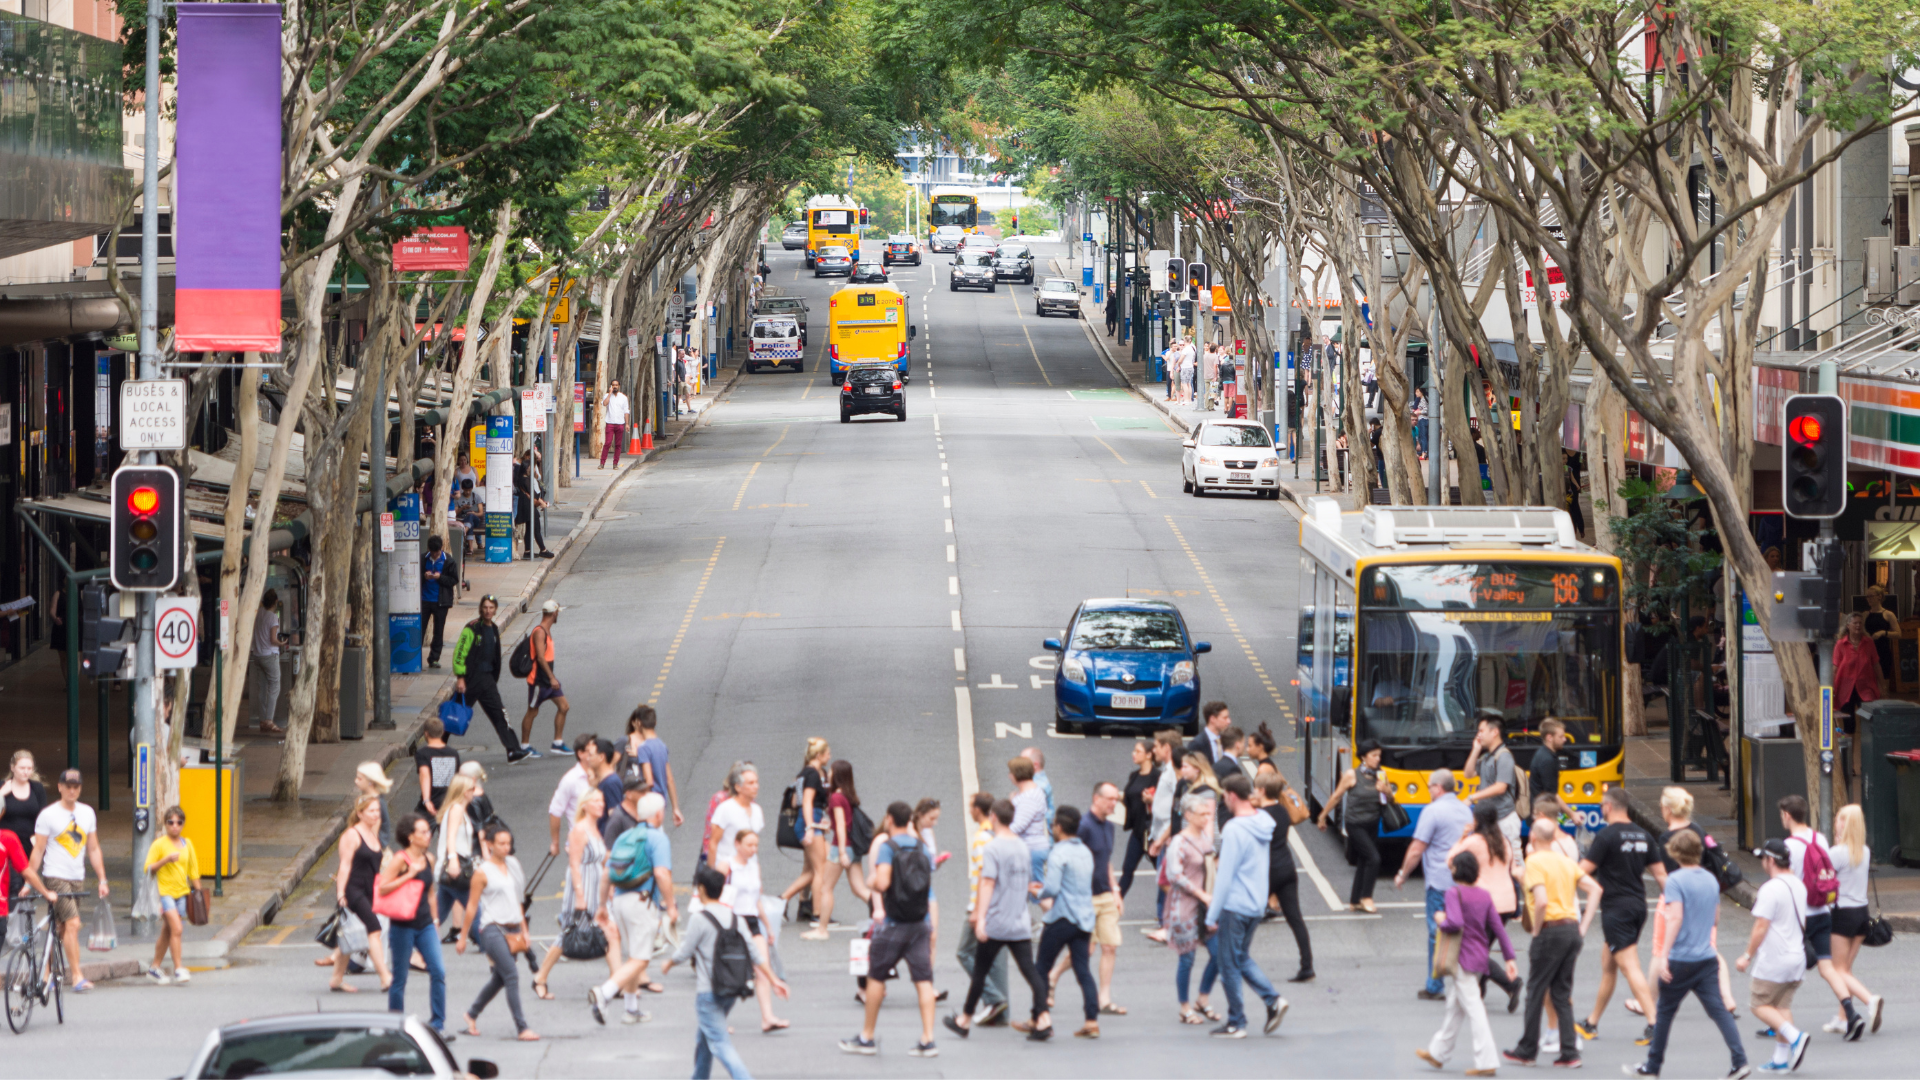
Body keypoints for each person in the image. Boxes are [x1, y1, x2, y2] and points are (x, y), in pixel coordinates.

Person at [1624, 830, 1746, 1078]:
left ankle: (1653, 1066)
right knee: (1719, 1011)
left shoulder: (1675, 881)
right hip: (1706, 958)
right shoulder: (1712, 880)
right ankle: (1739, 1059)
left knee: (1665, 1013)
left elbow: (1675, 917)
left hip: (1682, 959)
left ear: (1675, 853)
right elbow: (1715, 918)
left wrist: (1665, 956)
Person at [666, 864, 788, 1079]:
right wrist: (774, 980)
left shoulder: (699, 918)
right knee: (705, 1039)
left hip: (708, 991)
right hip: (730, 990)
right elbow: (756, 955)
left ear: (701, 890)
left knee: (720, 1043)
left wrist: (668, 963)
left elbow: (685, 952)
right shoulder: (736, 919)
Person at [943, 799, 1050, 1041]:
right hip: (1019, 919)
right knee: (1031, 973)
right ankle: (1044, 1019)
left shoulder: (993, 847)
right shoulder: (1022, 846)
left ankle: (965, 1020)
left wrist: (981, 919)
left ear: (993, 817)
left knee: (980, 972)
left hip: (998, 921)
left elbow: (988, 883)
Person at [842, 802, 940, 1057]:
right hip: (920, 922)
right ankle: (928, 1039)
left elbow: (883, 881)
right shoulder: (922, 847)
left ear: (889, 819)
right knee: (924, 980)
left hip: (895, 922)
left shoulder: (888, 847)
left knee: (876, 975)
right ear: (910, 820)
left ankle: (867, 1036)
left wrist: (872, 879)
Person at [1503, 815, 1602, 1067]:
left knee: (1536, 990)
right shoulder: (1565, 862)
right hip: (1571, 929)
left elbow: (1542, 899)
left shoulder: (1534, 861)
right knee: (1560, 991)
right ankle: (1569, 1052)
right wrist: (1584, 926)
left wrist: (1536, 930)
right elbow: (1595, 889)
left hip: (1550, 929)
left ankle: (1527, 1049)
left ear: (1533, 838)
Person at [1779, 793, 1870, 1038]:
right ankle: (1850, 1014)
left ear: (1787, 816)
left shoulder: (1789, 846)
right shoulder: (1819, 838)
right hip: (1825, 912)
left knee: (1784, 966)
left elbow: (1787, 878)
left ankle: (1776, 1019)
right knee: (1830, 968)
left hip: (1803, 913)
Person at [1417, 851, 1515, 1076]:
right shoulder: (1484, 895)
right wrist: (1510, 957)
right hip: (1480, 957)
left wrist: (1441, 920)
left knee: (1475, 1009)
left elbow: (1455, 922)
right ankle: (1438, 1053)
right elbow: (1498, 929)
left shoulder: (1454, 893)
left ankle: (1487, 1061)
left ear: (1457, 871)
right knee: (1454, 1007)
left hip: (1463, 959)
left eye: (1452, 868)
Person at [1575, 787, 1660, 1047]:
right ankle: (1591, 1022)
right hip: (1638, 906)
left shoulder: (1606, 836)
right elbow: (1661, 874)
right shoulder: (1644, 835)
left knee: (1629, 965)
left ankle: (1655, 1024)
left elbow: (1582, 871)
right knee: (1609, 966)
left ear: (1609, 807)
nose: (1601, 809)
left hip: (1616, 910)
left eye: (1602, 805)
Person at [1205, 772, 1287, 1038]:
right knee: (1240, 957)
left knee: (1227, 963)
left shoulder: (1234, 829)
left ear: (1230, 796)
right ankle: (1272, 1001)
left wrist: (1211, 915)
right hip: (1255, 903)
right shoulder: (1263, 820)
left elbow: (1225, 876)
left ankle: (1237, 1022)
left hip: (1234, 905)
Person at [1654, 786, 1738, 1017]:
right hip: (1705, 894)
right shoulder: (1698, 830)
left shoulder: (1667, 838)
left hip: (1681, 898)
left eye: (1662, 806)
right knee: (1710, 948)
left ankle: (1648, 1002)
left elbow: (1672, 876)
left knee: (1660, 950)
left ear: (1669, 809)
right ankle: (1727, 996)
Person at [592, 793, 676, 1025]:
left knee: (632, 957)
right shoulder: (657, 838)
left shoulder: (625, 837)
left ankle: (631, 1009)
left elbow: (607, 872)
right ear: (658, 814)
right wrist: (671, 906)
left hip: (619, 900)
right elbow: (661, 873)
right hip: (642, 902)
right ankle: (605, 993)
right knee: (640, 959)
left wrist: (601, 906)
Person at [1395, 768, 1475, 1000]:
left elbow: (1417, 848)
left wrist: (1402, 874)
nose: (1428, 790)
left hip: (1440, 882)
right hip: (1463, 882)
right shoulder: (1465, 810)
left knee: (1436, 932)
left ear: (1438, 788)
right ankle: (1469, 981)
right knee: (1463, 931)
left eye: (1430, 786)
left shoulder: (1432, 811)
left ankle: (1435, 984)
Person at [531, 788, 615, 1002]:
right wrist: (580, 897)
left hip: (596, 882)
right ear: (585, 805)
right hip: (583, 884)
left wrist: (610, 884)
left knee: (610, 928)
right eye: (595, 801)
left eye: (602, 801)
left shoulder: (595, 829)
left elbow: (603, 857)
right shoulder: (579, 830)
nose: (600, 804)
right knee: (571, 930)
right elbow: (575, 865)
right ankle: (540, 977)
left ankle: (617, 980)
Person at [30, 768, 108, 991]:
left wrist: (102, 879)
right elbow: (39, 850)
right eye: (68, 786)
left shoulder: (87, 813)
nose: (72, 790)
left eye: (76, 787)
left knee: (62, 928)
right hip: (55, 876)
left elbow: (93, 848)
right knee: (73, 923)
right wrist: (29, 878)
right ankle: (76, 976)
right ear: (60, 787)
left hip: (77, 876)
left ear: (80, 788)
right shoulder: (48, 814)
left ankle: (46, 975)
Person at [1737, 838, 1811, 1072]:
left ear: (1771, 860)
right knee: (1781, 1006)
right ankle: (1780, 1059)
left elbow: (1761, 926)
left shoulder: (1771, 888)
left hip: (1775, 959)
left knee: (1758, 1005)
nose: (1762, 864)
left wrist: (1747, 955)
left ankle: (1795, 1038)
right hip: (1796, 957)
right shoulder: (1799, 885)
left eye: (1763, 859)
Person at [459, 821, 537, 1041]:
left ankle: (471, 1014)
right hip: (491, 929)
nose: (506, 847)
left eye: (508, 843)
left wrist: (525, 930)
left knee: (500, 979)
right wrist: (463, 936)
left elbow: (518, 901)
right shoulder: (482, 872)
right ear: (490, 845)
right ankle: (522, 1028)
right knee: (511, 974)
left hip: (513, 928)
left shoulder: (513, 865)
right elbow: (472, 906)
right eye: (501, 843)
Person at [1033, 804, 1102, 1040]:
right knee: (1083, 970)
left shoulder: (1058, 853)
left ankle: (1040, 1018)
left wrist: (1037, 893)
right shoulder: (1085, 851)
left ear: (1059, 828)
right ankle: (1091, 1020)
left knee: (1041, 967)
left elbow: (1051, 887)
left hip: (1062, 916)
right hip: (1084, 918)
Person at [1448, 801, 1522, 1010]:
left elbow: (1451, 860)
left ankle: (1511, 983)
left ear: (1477, 819)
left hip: (1485, 903)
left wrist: (1463, 836)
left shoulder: (1475, 841)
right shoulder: (1504, 840)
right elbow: (1513, 868)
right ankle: (1479, 990)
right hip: (1507, 902)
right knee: (1482, 947)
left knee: (1476, 950)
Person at [381, 812, 450, 1037]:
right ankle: (395, 1026)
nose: (428, 835)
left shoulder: (429, 859)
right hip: (402, 925)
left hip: (425, 924)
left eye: (428, 831)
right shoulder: (401, 859)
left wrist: (436, 919)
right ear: (411, 837)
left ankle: (438, 1024)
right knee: (400, 978)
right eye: (423, 832)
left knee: (438, 970)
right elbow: (382, 887)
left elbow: (431, 893)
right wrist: (408, 876)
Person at [721, 827, 788, 1033]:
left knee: (762, 968)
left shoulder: (754, 866)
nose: (753, 849)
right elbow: (716, 895)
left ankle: (767, 1017)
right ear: (737, 844)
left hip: (751, 921)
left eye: (756, 845)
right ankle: (720, 1020)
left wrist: (767, 925)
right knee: (732, 971)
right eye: (749, 845)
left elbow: (756, 899)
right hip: (732, 920)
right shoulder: (727, 866)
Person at [1825, 804, 1884, 1038]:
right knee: (1846, 969)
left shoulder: (1837, 853)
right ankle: (1842, 1017)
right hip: (1862, 913)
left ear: (1846, 824)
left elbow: (1825, 883)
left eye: (1839, 818)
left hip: (1842, 914)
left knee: (1837, 969)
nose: (1836, 822)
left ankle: (1870, 1000)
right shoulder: (1864, 851)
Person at [452, 595, 532, 763]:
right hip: (470, 680)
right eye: (485, 607)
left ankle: (513, 750)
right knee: (453, 715)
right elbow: (459, 654)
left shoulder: (494, 629)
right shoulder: (472, 628)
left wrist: (493, 679)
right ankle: (436, 746)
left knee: (500, 715)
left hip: (487, 681)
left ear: (495, 610)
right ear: (481, 609)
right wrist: (460, 677)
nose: (488, 611)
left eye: (491, 608)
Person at [1254, 772, 1314, 983]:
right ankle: (1307, 966)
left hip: (1266, 870)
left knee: (1242, 916)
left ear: (1261, 791)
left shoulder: (1259, 815)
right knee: (1295, 918)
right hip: (1286, 866)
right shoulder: (1282, 809)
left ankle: (1231, 962)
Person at [1165, 791, 1219, 1024]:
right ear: (1188, 815)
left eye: (1208, 813)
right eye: (1202, 814)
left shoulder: (1205, 839)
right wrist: (1201, 894)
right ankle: (1185, 1007)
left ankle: (1203, 998)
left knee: (1218, 954)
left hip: (1206, 906)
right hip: (1185, 907)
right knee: (1187, 959)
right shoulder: (1179, 841)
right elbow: (1174, 875)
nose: (1207, 818)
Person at [957, 791, 1010, 1026]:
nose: (969, 810)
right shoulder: (998, 835)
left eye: (971, 806)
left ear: (979, 810)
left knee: (964, 952)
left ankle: (994, 998)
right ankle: (1000, 1010)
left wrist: (977, 910)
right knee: (997, 958)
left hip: (982, 905)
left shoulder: (981, 838)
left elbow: (983, 877)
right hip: (1001, 904)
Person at [1319, 739, 1391, 912]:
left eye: (1379, 755)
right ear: (1364, 757)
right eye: (1374, 755)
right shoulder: (1352, 775)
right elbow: (1337, 796)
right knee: (1374, 858)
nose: (1377, 759)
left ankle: (1354, 901)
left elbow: (1390, 800)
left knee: (1363, 860)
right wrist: (1322, 816)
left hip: (1372, 822)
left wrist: (1386, 791)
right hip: (1354, 824)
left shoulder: (1381, 775)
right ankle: (1366, 897)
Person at [332, 795, 394, 993]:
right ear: (359, 813)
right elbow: (344, 865)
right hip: (353, 890)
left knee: (349, 933)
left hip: (369, 891)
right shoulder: (352, 835)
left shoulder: (372, 833)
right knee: (374, 929)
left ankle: (336, 979)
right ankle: (385, 977)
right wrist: (341, 893)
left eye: (378, 810)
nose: (376, 814)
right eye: (371, 811)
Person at [1075, 781, 1127, 1013]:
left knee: (1109, 947)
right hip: (1086, 897)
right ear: (1097, 799)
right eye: (1110, 799)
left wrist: (1115, 891)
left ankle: (1104, 998)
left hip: (1105, 895)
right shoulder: (1083, 826)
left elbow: (1105, 862)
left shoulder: (1109, 827)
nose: (1114, 803)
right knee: (1086, 949)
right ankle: (1054, 976)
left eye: (1116, 799)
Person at [143, 805, 200, 985]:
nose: (175, 826)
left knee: (168, 931)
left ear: (183, 824)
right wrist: (166, 859)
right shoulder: (159, 844)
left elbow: (193, 870)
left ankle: (154, 968)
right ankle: (178, 968)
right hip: (164, 893)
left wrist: (198, 894)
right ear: (165, 824)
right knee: (177, 929)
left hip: (182, 893)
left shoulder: (187, 844)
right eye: (171, 822)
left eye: (179, 822)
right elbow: (148, 868)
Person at [778, 738, 833, 924]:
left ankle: (782, 900)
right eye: (827, 753)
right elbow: (807, 802)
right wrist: (811, 826)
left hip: (809, 821)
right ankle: (817, 913)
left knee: (811, 870)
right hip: (810, 822)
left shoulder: (803, 774)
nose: (829, 756)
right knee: (821, 870)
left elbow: (796, 801)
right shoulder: (813, 775)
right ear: (819, 755)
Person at [1142, 729, 1183, 942]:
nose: (1154, 750)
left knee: (1165, 880)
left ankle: (1168, 924)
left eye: (1157, 746)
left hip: (1168, 837)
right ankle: (1165, 922)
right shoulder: (1168, 771)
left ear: (1167, 748)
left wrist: (1162, 837)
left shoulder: (1173, 774)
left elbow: (1176, 810)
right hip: (1162, 834)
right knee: (1163, 879)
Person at [1462, 714, 1522, 852]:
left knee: (1513, 862)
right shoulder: (1487, 757)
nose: (1478, 735)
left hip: (1504, 819)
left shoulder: (1504, 756)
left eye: (1481, 731)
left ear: (1494, 732)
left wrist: (1472, 797)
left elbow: (1501, 787)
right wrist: (1476, 749)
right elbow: (1468, 774)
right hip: (1489, 820)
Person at [434, 775, 480, 943]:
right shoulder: (456, 809)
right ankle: (488, 947)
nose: (474, 792)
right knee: (476, 909)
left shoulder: (460, 809)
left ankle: (415, 940)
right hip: (455, 869)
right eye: (471, 789)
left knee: (437, 913)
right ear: (463, 791)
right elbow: (450, 838)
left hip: (452, 869)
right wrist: (453, 860)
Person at [519, 600, 570, 753]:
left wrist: (552, 678)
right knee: (532, 712)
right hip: (539, 681)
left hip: (548, 680)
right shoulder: (540, 632)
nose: (557, 616)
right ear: (554, 613)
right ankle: (525, 746)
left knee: (564, 706)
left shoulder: (546, 630)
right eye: (557, 613)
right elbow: (540, 658)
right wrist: (552, 678)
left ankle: (557, 743)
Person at [625, 704, 683, 825]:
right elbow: (670, 779)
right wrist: (675, 808)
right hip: (662, 801)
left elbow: (649, 781)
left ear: (638, 723)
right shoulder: (662, 745)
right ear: (655, 722)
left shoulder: (643, 748)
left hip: (649, 800)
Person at [2, 749, 47, 899]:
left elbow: (42, 816)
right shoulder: (3, 786)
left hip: (28, 844)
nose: (26, 772)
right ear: (12, 767)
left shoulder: (37, 788)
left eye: (29, 768)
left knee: (24, 884)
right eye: (22, 768)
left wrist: (40, 838)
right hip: (6, 845)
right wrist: (1, 793)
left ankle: (19, 918)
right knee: (12, 884)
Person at [547, 735, 599, 855]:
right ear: (580, 754)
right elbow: (555, 811)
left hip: (602, 841)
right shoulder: (570, 780)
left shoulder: (602, 774)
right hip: (580, 843)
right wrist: (555, 843)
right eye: (591, 751)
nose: (596, 754)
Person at [1119, 741, 1158, 899]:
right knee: (1127, 870)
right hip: (1137, 831)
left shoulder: (1157, 776)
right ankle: (1114, 907)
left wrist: (1152, 801)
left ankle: (1168, 912)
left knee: (1163, 874)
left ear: (1149, 755)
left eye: (1138, 751)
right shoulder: (1134, 776)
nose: (1133, 754)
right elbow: (1129, 799)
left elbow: (1165, 803)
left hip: (1153, 833)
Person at [249, 588, 290, 735]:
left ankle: (262, 720)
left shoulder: (258, 614)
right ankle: (269, 720)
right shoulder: (273, 617)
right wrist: (282, 642)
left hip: (258, 655)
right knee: (275, 686)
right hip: (269, 655)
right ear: (275, 602)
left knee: (262, 688)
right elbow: (273, 639)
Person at [1008, 755, 1051, 883]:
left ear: (1017, 774)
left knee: (1037, 893)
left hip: (1031, 849)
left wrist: (999, 833)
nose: (1009, 776)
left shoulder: (1029, 797)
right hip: (1029, 848)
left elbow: (1019, 825)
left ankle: (1054, 904)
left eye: (1010, 772)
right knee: (1023, 891)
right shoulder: (1030, 792)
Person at [1529, 719, 1574, 823]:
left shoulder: (1543, 754)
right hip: (1543, 816)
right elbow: (1551, 794)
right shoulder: (1547, 760)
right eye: (1561, 736)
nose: (1565, 739)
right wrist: (1571, 814)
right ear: (1549, 737)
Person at [415, 718, 460, 818]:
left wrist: (426, 800)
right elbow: (457, 777)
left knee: (419, 829)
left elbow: (424, 774)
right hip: (450, 801)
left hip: (432, 800)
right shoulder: (453, 753)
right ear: (442, 732)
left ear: (426, 734)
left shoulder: (423, 753)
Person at [421, 535, 454, 668]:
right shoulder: (423, 559)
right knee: (420, 630)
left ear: (441, 549)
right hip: (424, 600)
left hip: (441, 601)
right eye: (432, 553)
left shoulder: (448, 561)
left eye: (437, 552)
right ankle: (415, 657)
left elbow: (453, 580)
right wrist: (424, 576)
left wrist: (440, 578)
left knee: (438, 631)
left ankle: (434, 658)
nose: (435, 555)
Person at [513, 448, 552, 559]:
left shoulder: (522, 478)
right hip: (528, 506)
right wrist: (542, 503)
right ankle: (543, 549)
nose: (531, 469)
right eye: (530, 467)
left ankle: (527, 551)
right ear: (526, 468)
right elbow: (534, 494)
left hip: (525, 505)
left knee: (530, 528)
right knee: (536, 528)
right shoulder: (526, 479)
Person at [1188, 701, 1233, 769]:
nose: (1229, 721)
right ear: (1212, 719)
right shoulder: (1197, 744)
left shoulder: (1225, 741)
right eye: (1225, 718)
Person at [599, 380, 631, 468]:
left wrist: (627, 423)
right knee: (608, 443)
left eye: (616, 385)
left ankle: (615, 463)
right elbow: (604, 404)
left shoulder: (623, 397)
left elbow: (626, 411)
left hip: (620, 423)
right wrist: (609, 393)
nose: (615, 386)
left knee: (618, 444)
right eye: (613, 385)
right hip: (610, 422)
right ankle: (602, 463)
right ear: (611, 386)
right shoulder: (607, 395)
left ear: (619, 386)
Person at [1021, 746, 1055, 820]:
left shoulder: (1037, 787)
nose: (1018, 764)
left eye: (1023, 761)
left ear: (1035, 765)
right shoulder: (1036, 782)